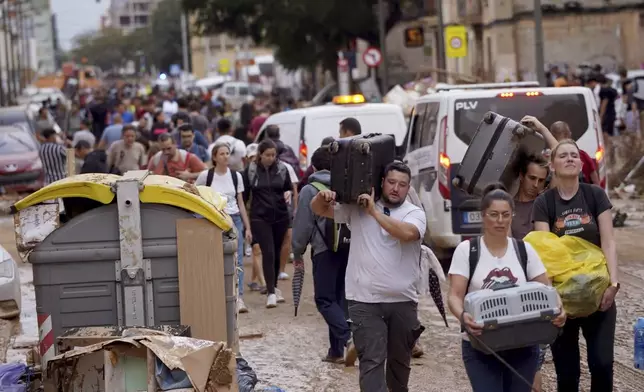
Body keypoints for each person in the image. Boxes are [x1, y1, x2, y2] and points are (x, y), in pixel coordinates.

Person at [310, 161, 426, 392]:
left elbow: (405, 233)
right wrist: (322, 198)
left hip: (402, 301)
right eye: (391, 182)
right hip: (363, 300)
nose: (396, 188)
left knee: (399, 367)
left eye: (402, 185)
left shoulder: (415, 213)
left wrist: (373, 211)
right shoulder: (357, 207)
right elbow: (320, 210)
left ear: (408, 188)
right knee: (371, 362)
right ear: (382, 182)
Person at [447, 184, 566, 392]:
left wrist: (560, 310)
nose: (500, 221)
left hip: (523, 343)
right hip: (480, 345)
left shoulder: (524, 250)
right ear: (483, 215)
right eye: (493, 214)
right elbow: (454, 296)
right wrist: (463, 316)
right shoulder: (467, 251)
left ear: (512, 215)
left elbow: (547, 290)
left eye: (505, 214)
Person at [532, 139, 618, 392]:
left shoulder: (595, 195)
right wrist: (552, 298)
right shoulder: (544, 203)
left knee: (602, 364)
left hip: (599, 296)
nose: (569, 158)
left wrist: (614, 284)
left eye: (574, 155)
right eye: (563, 155)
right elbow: (543, 252)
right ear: (553, 166)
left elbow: (609, 241)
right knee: (567, 373)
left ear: (581, 164)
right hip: (563, 301)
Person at [293, 146, 350, 364]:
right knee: (339, 299)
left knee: (324, 299)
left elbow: (302, 227)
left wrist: (298, 251)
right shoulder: (344, 185)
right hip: (347, 248)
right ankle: (336, 352)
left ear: (314, 167)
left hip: (324, 250)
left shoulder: (310, 190)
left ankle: (348, 338)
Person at [196, 142, 252, 313]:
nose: (225, 156)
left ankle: (239, 297)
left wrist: (247, 227)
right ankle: (218, 295)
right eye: (222, 153)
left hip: (234, 218)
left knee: (238, 259)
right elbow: (198, 196)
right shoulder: (207, 176)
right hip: (215, 219)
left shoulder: (236, 176)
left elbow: (241, 202)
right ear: (214, 157)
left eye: (227, 153)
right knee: (215, 257)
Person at [243, 139, 293, 308]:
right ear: (260, 155)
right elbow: (245, 197)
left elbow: (287, 188)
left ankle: (275, 287)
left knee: (278, 252)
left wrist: (287, 196)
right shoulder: (250, 171)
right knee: (268, 252)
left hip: (280, 216)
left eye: (273, 155)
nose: (271, 158)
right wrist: (247, 224)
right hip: (259, 217)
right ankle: (270, 292)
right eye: (267, 155)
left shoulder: (282, 169)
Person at [511, 152, 549, 240]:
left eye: (541, 181)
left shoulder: (545, 204)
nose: (536, 185)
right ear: (521, 176)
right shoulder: (507, 205)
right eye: (532, 178)